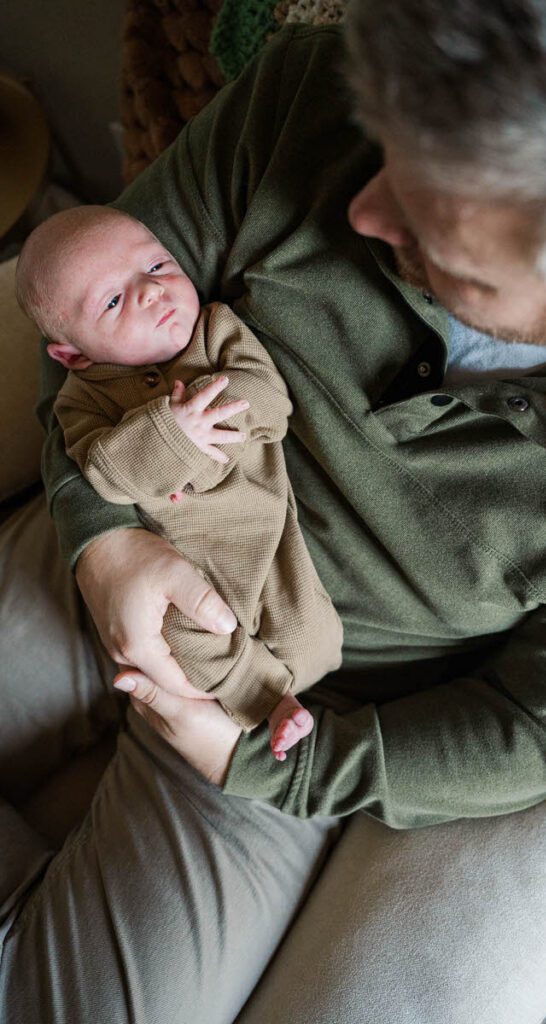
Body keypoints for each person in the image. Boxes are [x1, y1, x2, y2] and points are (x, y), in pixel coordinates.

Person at [1, 2, 546, 1021]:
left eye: (432, 236)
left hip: (281, 705)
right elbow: (93, 315)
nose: (361, 214)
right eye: (383, 157)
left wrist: (281, 765)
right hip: (140, 524)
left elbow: (543, 730)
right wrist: (104, 543)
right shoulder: (319, 87)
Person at [15, 205, 343, 760]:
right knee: (189, 638)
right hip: (177, 562)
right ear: (73, 356)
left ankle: (293, 687)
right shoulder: (81, 400)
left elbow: (271, 401)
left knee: (312, 635)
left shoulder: (215, 331)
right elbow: (107, 474)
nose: (150, 291)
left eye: (158, 265)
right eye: (114, 301)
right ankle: (266, 701)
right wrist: (173, 434)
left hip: (264, 534)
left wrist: (209, 428)